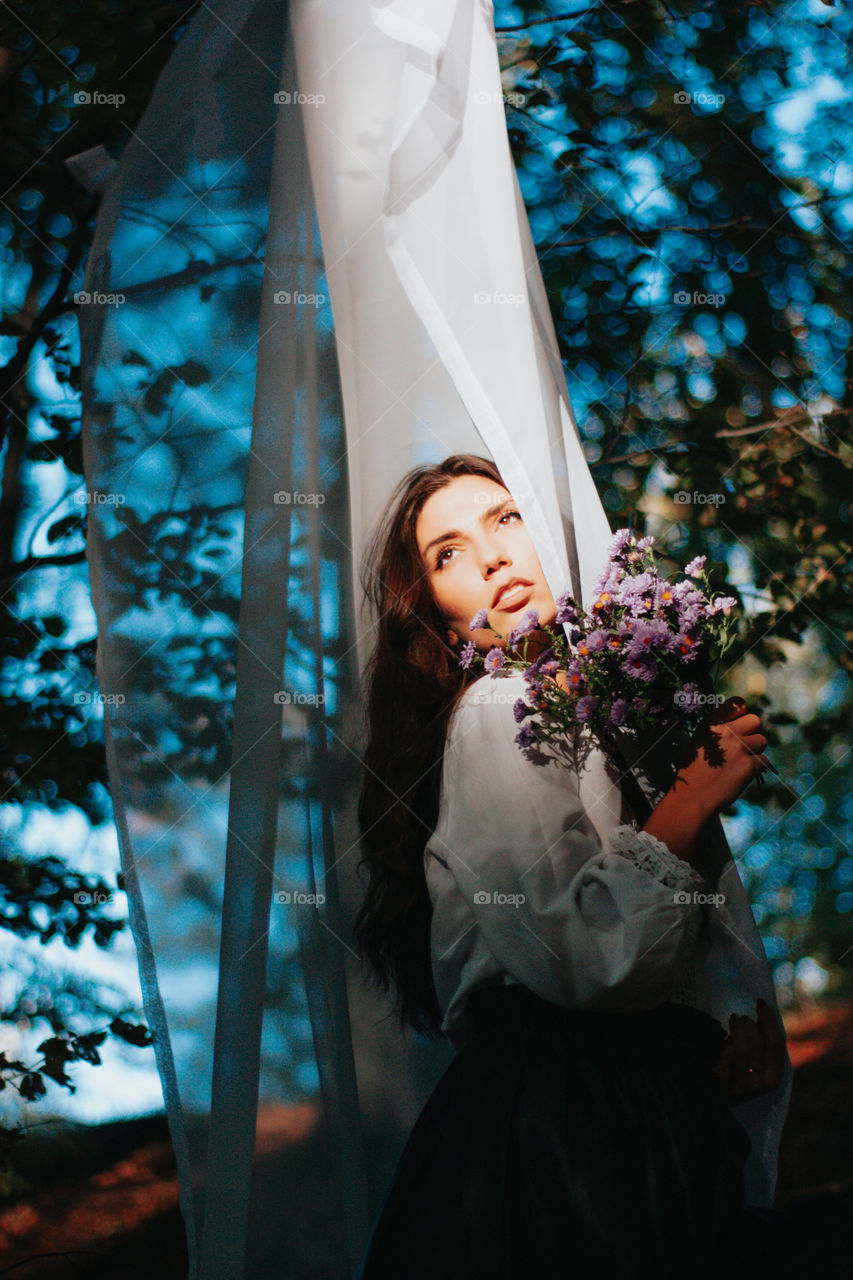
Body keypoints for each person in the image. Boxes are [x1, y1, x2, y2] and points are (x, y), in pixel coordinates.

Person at [352, 452, 804, 1279]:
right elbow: (580, 955)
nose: (489, 557)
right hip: (561, 1138)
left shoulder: (578, 712)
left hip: (612, 1116)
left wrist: (707, 1039)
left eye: (504, 518)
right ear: (441, 622)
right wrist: (687, 802)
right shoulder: (496, 709)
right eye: (446, 554)